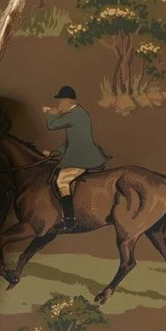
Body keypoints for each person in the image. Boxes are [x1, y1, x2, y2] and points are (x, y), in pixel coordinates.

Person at [42, 86, 109, 226]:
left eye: (60, 101)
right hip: (79, 153)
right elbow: (73, 141)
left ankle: (69, 218)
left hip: (82, 158)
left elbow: (52, 125)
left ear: (68, 100)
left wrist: (52, 112)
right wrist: (56, 153)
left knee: (61, 181)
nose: (59, 105)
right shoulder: (78, 113)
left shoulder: (75, 114)